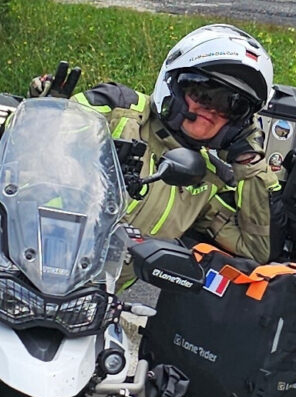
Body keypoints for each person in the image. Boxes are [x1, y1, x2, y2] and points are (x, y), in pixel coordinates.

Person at [102, 25, 281, 268]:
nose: (213, 110)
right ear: (174, 85)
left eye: (231, 105)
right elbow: (52, 135)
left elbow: (257, 249)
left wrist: (249, 160)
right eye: (204, 94)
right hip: (50, 264)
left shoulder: (208, 182)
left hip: (101, 289)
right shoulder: (117, 109)